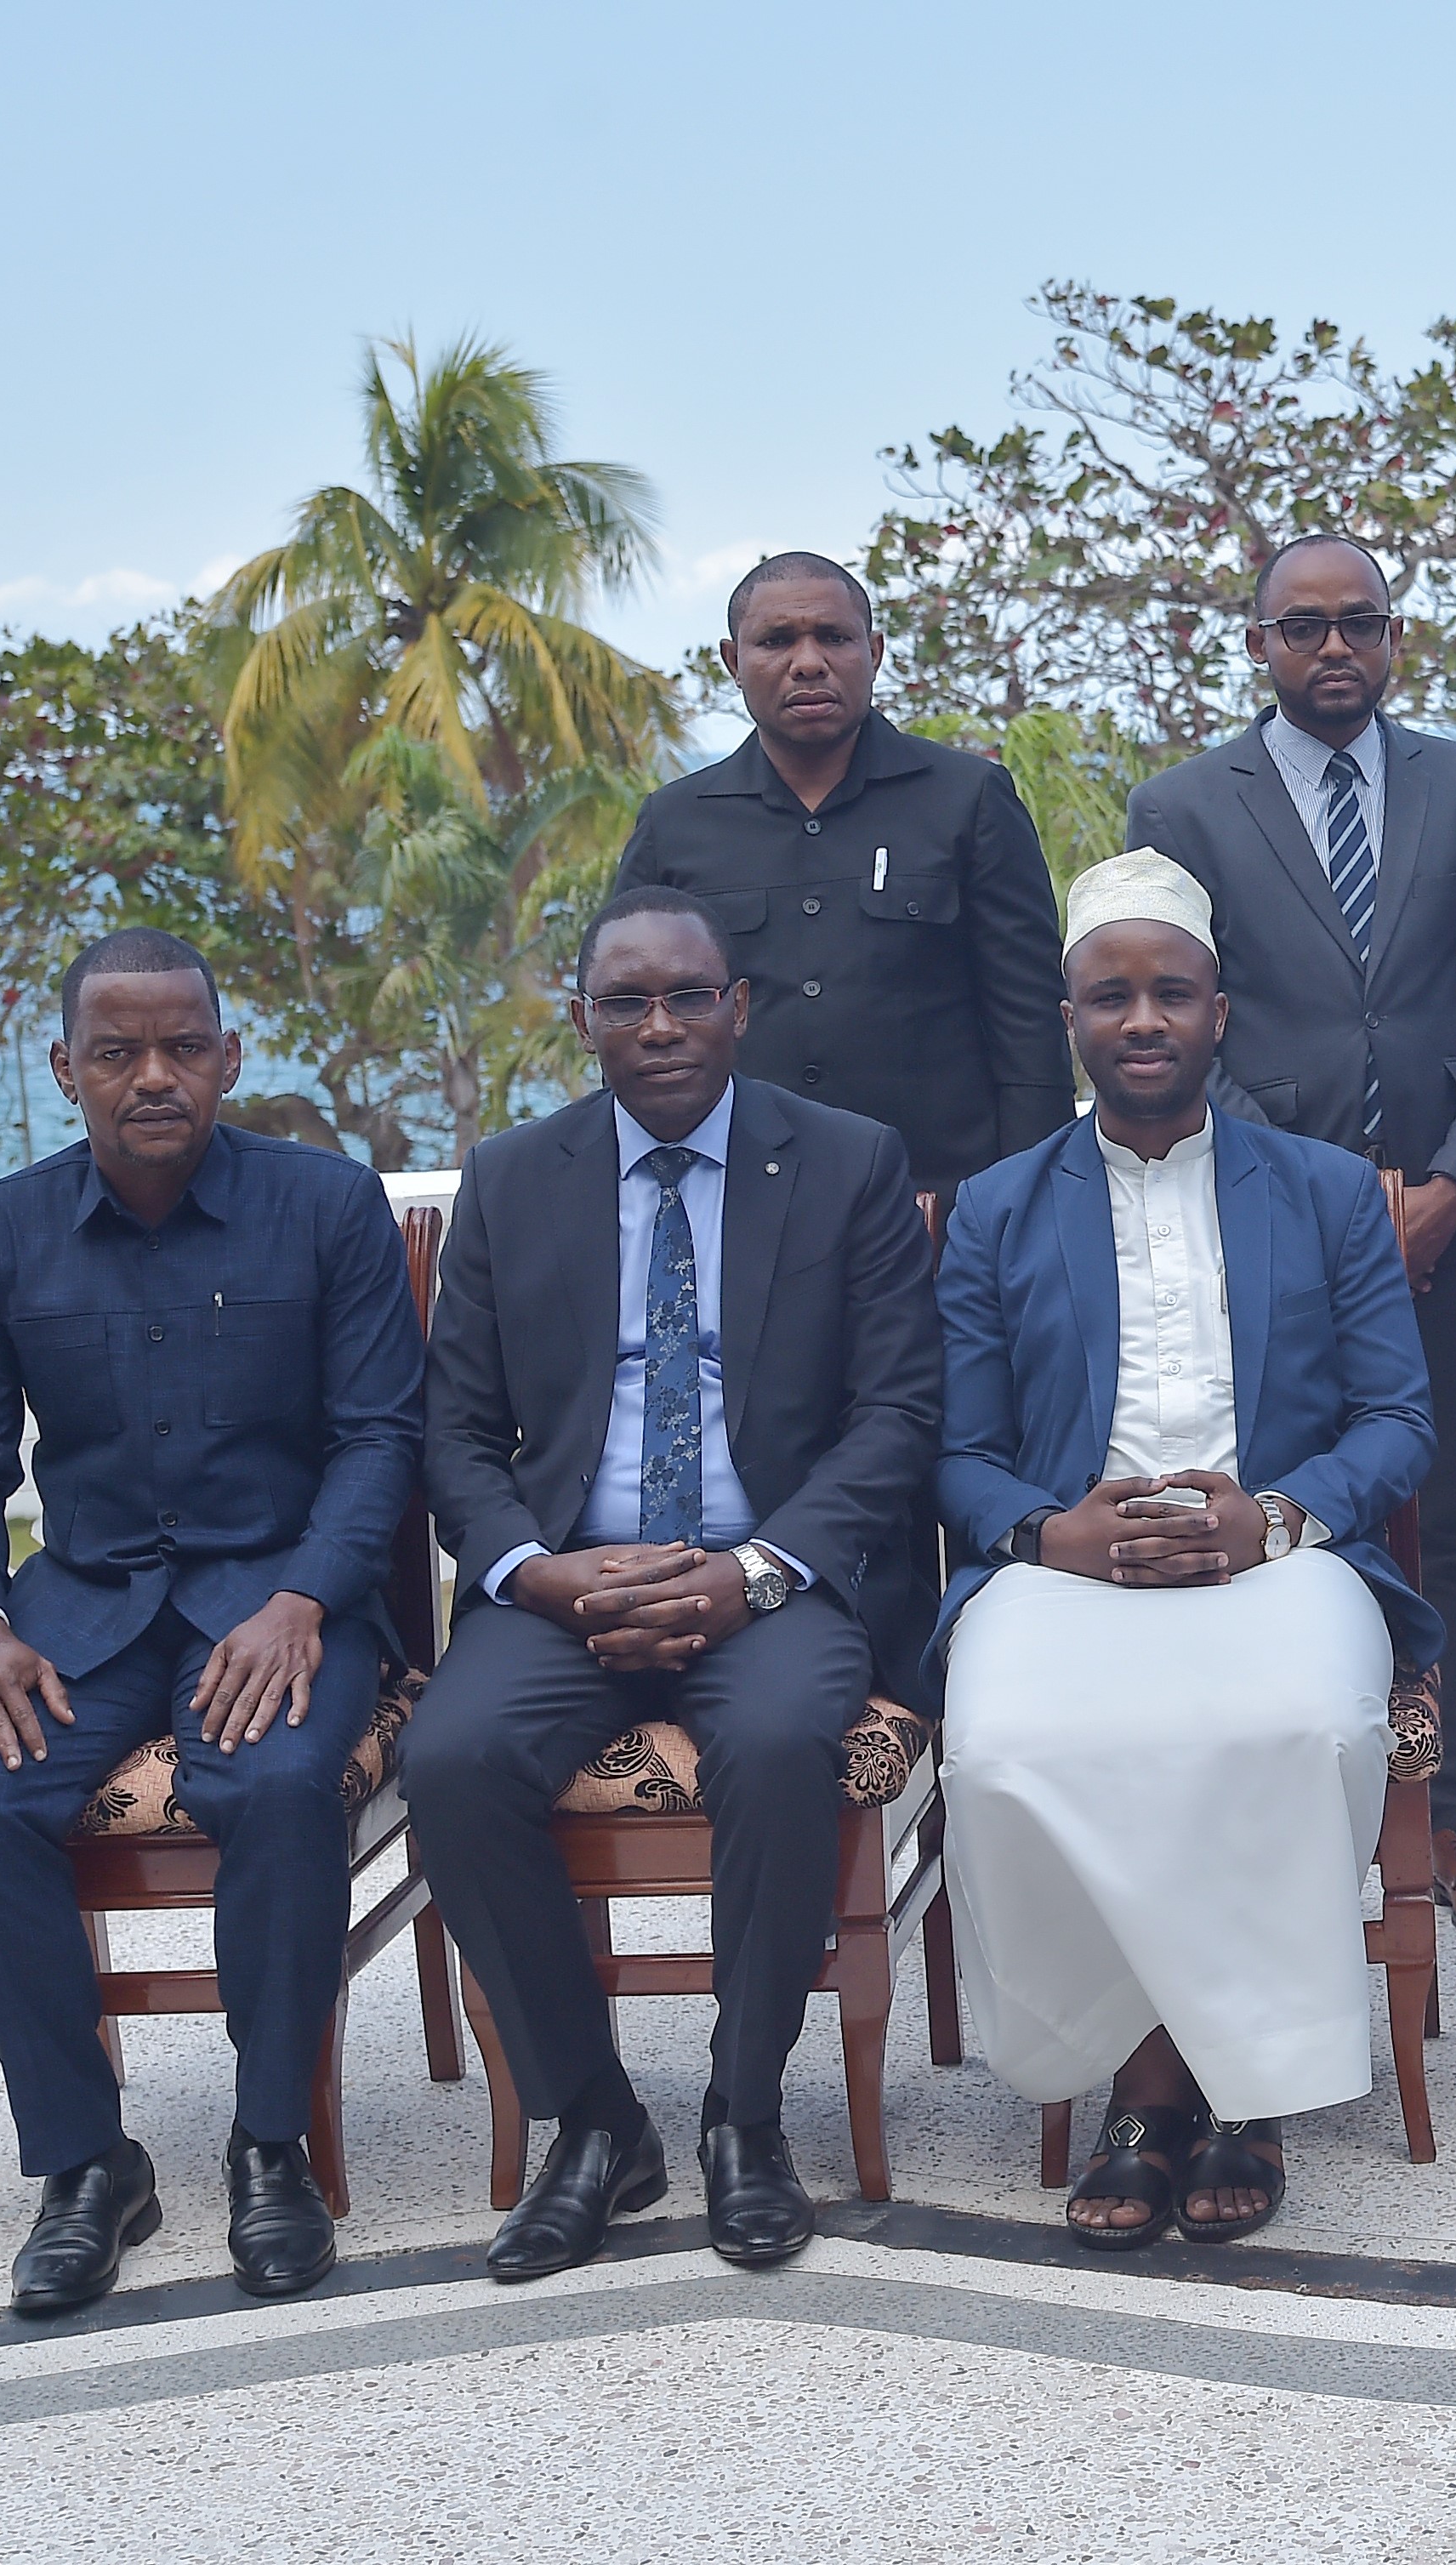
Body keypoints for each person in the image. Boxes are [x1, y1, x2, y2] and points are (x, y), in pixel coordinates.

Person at [402, 887, 945, 2280]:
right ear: (581, 1020)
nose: (659, 1027)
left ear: (737, 1008)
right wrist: (540, 1573)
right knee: (451, 1758)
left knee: (775, 1742)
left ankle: (743, 2116)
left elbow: (897, 1415)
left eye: (687, 997)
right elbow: (454, 1432)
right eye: (626, 1002)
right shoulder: (511, 1176)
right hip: (568, 1585)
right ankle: (595, 2121)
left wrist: (751, 1571)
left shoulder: (848, 1163)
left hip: (772, 1579)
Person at [0, 929, 425, 2315]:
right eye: (118, 1051)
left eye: (184, 1047)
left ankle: (271, 2147)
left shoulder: (327, 1207)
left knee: (276, 1783)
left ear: (229, 1058)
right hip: (78, 1608)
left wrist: (306, 1599)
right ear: (65, 1066)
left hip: (282, 1597)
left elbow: (382, 1437)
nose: (153, 1076)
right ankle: (88, 2165)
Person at [936, 853, 1442, 2249]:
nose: (1143, 1019)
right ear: (1070, 1020)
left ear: (1221, 1010)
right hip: (1066, 1567)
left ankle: (1237, 2088)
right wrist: (1055, 1532)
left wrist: (1267, 1517)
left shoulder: (1327, 1191)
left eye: (1172, 992)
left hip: (1281, 1556)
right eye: (1112, 996)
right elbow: (957, 1452)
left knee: (1295, 1727)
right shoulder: (995, 1208)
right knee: (1002, 1748)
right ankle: (1142, 2072)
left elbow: (1400, 1421)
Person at [1122, 533, 1456, 1943]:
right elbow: (1178, 1026)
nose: (1335, 647)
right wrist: (1334, 1195)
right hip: (1270, 1222)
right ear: (1260, 644)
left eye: (1360, 621)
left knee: (1453, 1512)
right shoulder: (1181, 806)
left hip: (1448, 1227)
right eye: (1304, 626)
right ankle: (1288, 1824)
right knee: (1278, 1502)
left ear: (1395, 636)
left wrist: (1454, 1184)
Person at [611, 550, 1075, 1185]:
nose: (808, 662)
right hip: (738, 1195)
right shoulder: (674, 823)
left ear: (874, 652)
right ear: (733, 662)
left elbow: (1029, 1022)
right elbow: (629, 1017)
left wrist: (1028, 1193)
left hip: (936, 1197)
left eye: (833, 637)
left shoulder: (969, 800)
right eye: (776, 641)